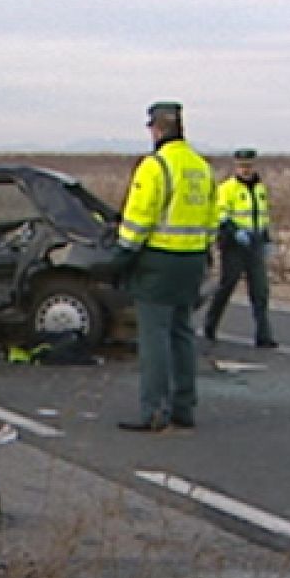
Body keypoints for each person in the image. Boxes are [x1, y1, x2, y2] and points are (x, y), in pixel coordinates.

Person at [115, 102, 215, 431]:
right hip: (192, 261)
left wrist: (121, 255)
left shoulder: (155, 166)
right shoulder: (201, 167)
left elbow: (139, 218)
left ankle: (154, 411)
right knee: (182, 333)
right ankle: (184, 407)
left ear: (156, 129)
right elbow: (212, 218)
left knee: (154, 337)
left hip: (158, 262)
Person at [203, 148, 278, 348]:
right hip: (234, 245)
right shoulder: (227, 188)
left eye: (249, 166)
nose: (245, 169)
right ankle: (210, 325)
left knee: (260, 290)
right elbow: (220, 216)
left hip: (255, 243)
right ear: (236, 166)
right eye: (242, 166)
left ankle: (264, 335)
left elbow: (262, 216)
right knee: (227, 286)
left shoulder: (260, 189)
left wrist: (266, 239)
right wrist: (235, 232)